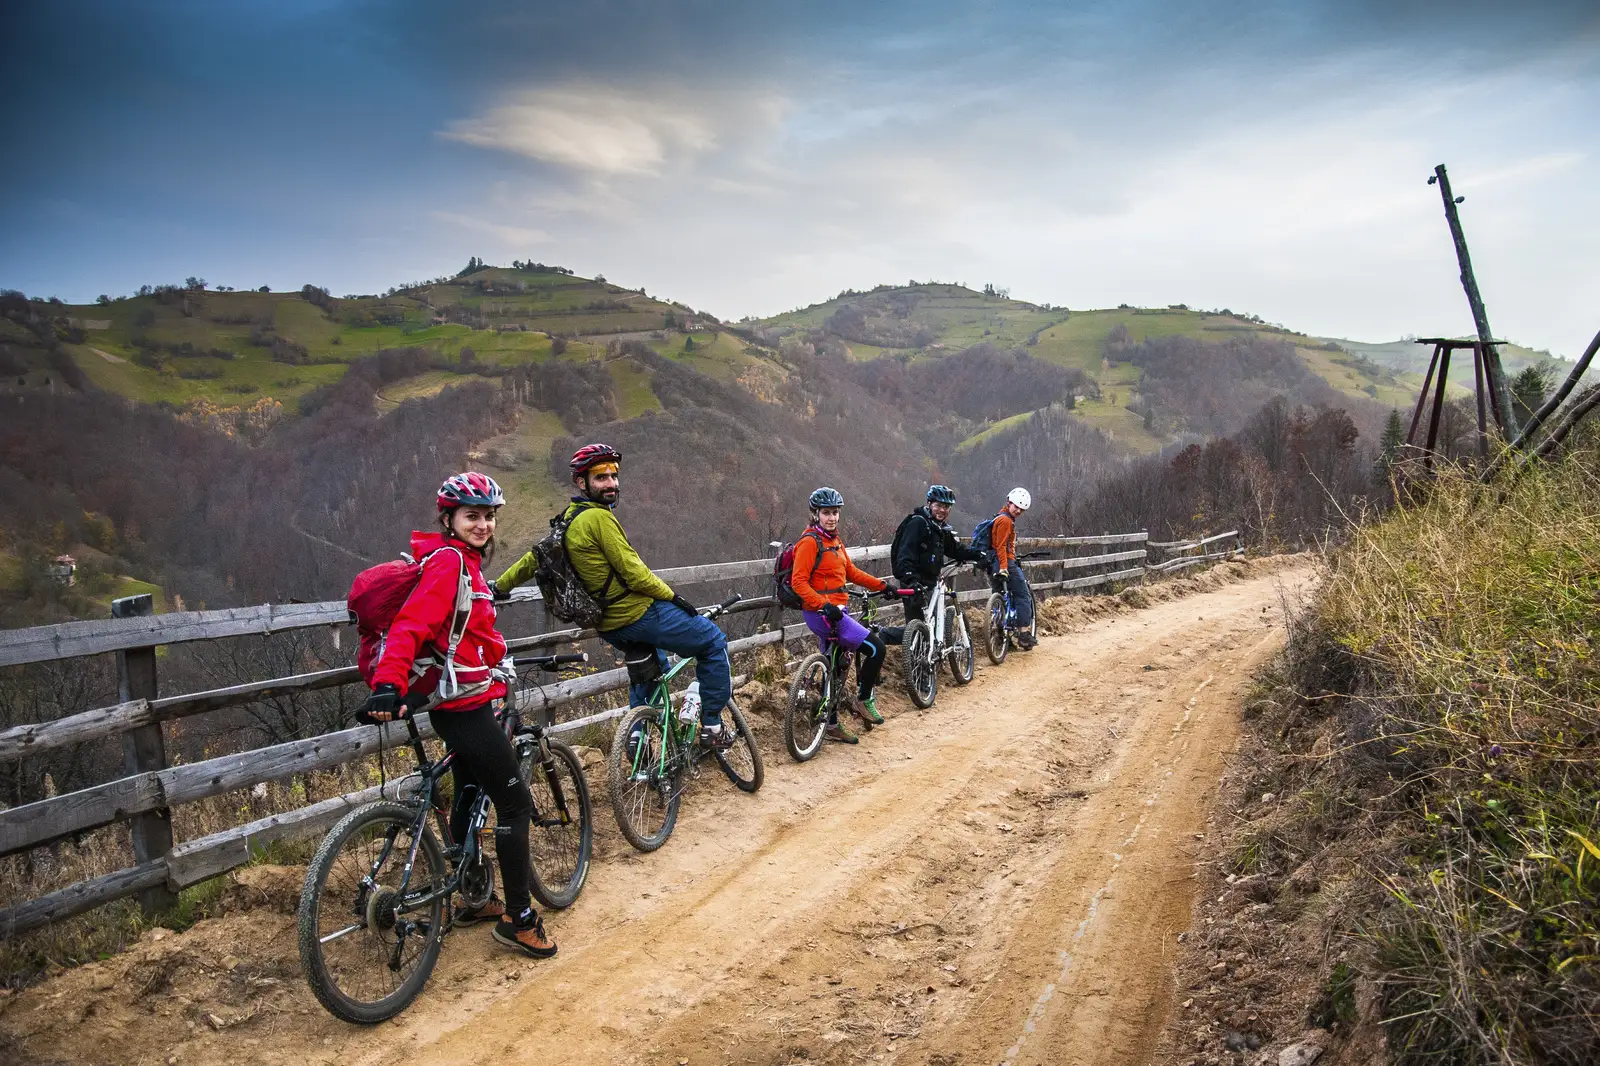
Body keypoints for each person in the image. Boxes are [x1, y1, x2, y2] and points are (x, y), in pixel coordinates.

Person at [359, 471, 557, 960]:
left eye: (489, 516)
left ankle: (473, 895)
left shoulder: (462, 564)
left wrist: (497, 658)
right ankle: (520, 918)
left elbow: (470, 634)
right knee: (512, 804)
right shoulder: (449, 563)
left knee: (469, 790)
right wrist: (388, 682)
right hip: (461, 707)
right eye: (472, 515)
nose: (484, 524)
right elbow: (412, 623)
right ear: (448, 518)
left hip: (465, 698)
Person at [496, 444, 736, 749]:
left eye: (613, 476)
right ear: (581, 483)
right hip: (636, 614)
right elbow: (634, 572)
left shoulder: (568, 519)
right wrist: (674, 597)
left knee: (649, 664)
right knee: (712, 642)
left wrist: (500, 586)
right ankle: (712, 726)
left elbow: (534, 558)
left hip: (608, 624)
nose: (610, 483)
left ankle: (636, 734)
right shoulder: (599, 519)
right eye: (601, 477)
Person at [790, 487, 899, 739]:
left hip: (839, 610)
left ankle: (831, 724)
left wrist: (882, 586)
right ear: (815, 514)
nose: (831, 518)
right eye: (826, 513)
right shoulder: (809, 542)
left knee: (838, 666)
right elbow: (798, 582)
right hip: (822, 613)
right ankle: (863, 700)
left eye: (835, 513)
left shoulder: (835, 541)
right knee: (876, 648)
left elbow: (851, 572)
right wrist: (822, 604)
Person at [892, 484, 989, 626]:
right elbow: (905, 554)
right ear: (929, 504)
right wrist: (912, 581)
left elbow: (955, 550)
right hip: (914, 584)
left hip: (930, 582)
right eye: (938, 505)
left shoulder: (939, 528)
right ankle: (882, 636)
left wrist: (978, 555)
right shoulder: (918, 523)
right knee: (916, 629)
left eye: (946, 507)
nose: (942, 510)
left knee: (932, 626)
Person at [987, 487, 1036, 650]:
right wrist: (1004, 567)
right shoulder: (1006, 521)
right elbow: (1001, 547)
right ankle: (1024, 634)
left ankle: (1002, 639)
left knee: (1000, 597)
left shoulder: (999, 517)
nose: (1018, 511)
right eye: (1016, 506)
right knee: (1023, 595)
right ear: (1009, 502)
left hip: (993, 563)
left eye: (1022, 509)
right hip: (1004, 563)